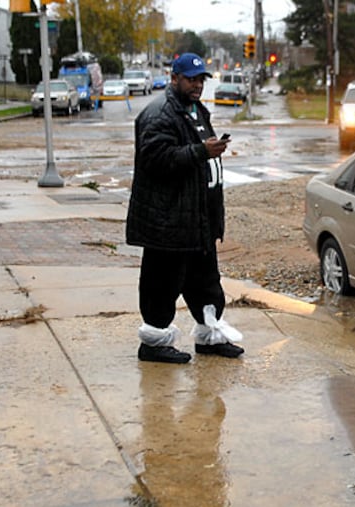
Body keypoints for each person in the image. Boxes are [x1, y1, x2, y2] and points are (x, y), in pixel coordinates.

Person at [126, 53, 243, 364]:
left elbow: (197, 155)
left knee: (206, 283)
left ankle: (210, 337)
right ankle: (153, 343)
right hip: (169, 222)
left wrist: (207, 152)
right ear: (174, 78)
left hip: (198, 220)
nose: (197, 85)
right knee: (161, 284)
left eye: (201, 79)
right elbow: (156, 159)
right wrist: (200, 152)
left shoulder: (194, 110)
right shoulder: (160, 114)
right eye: (191, 79)